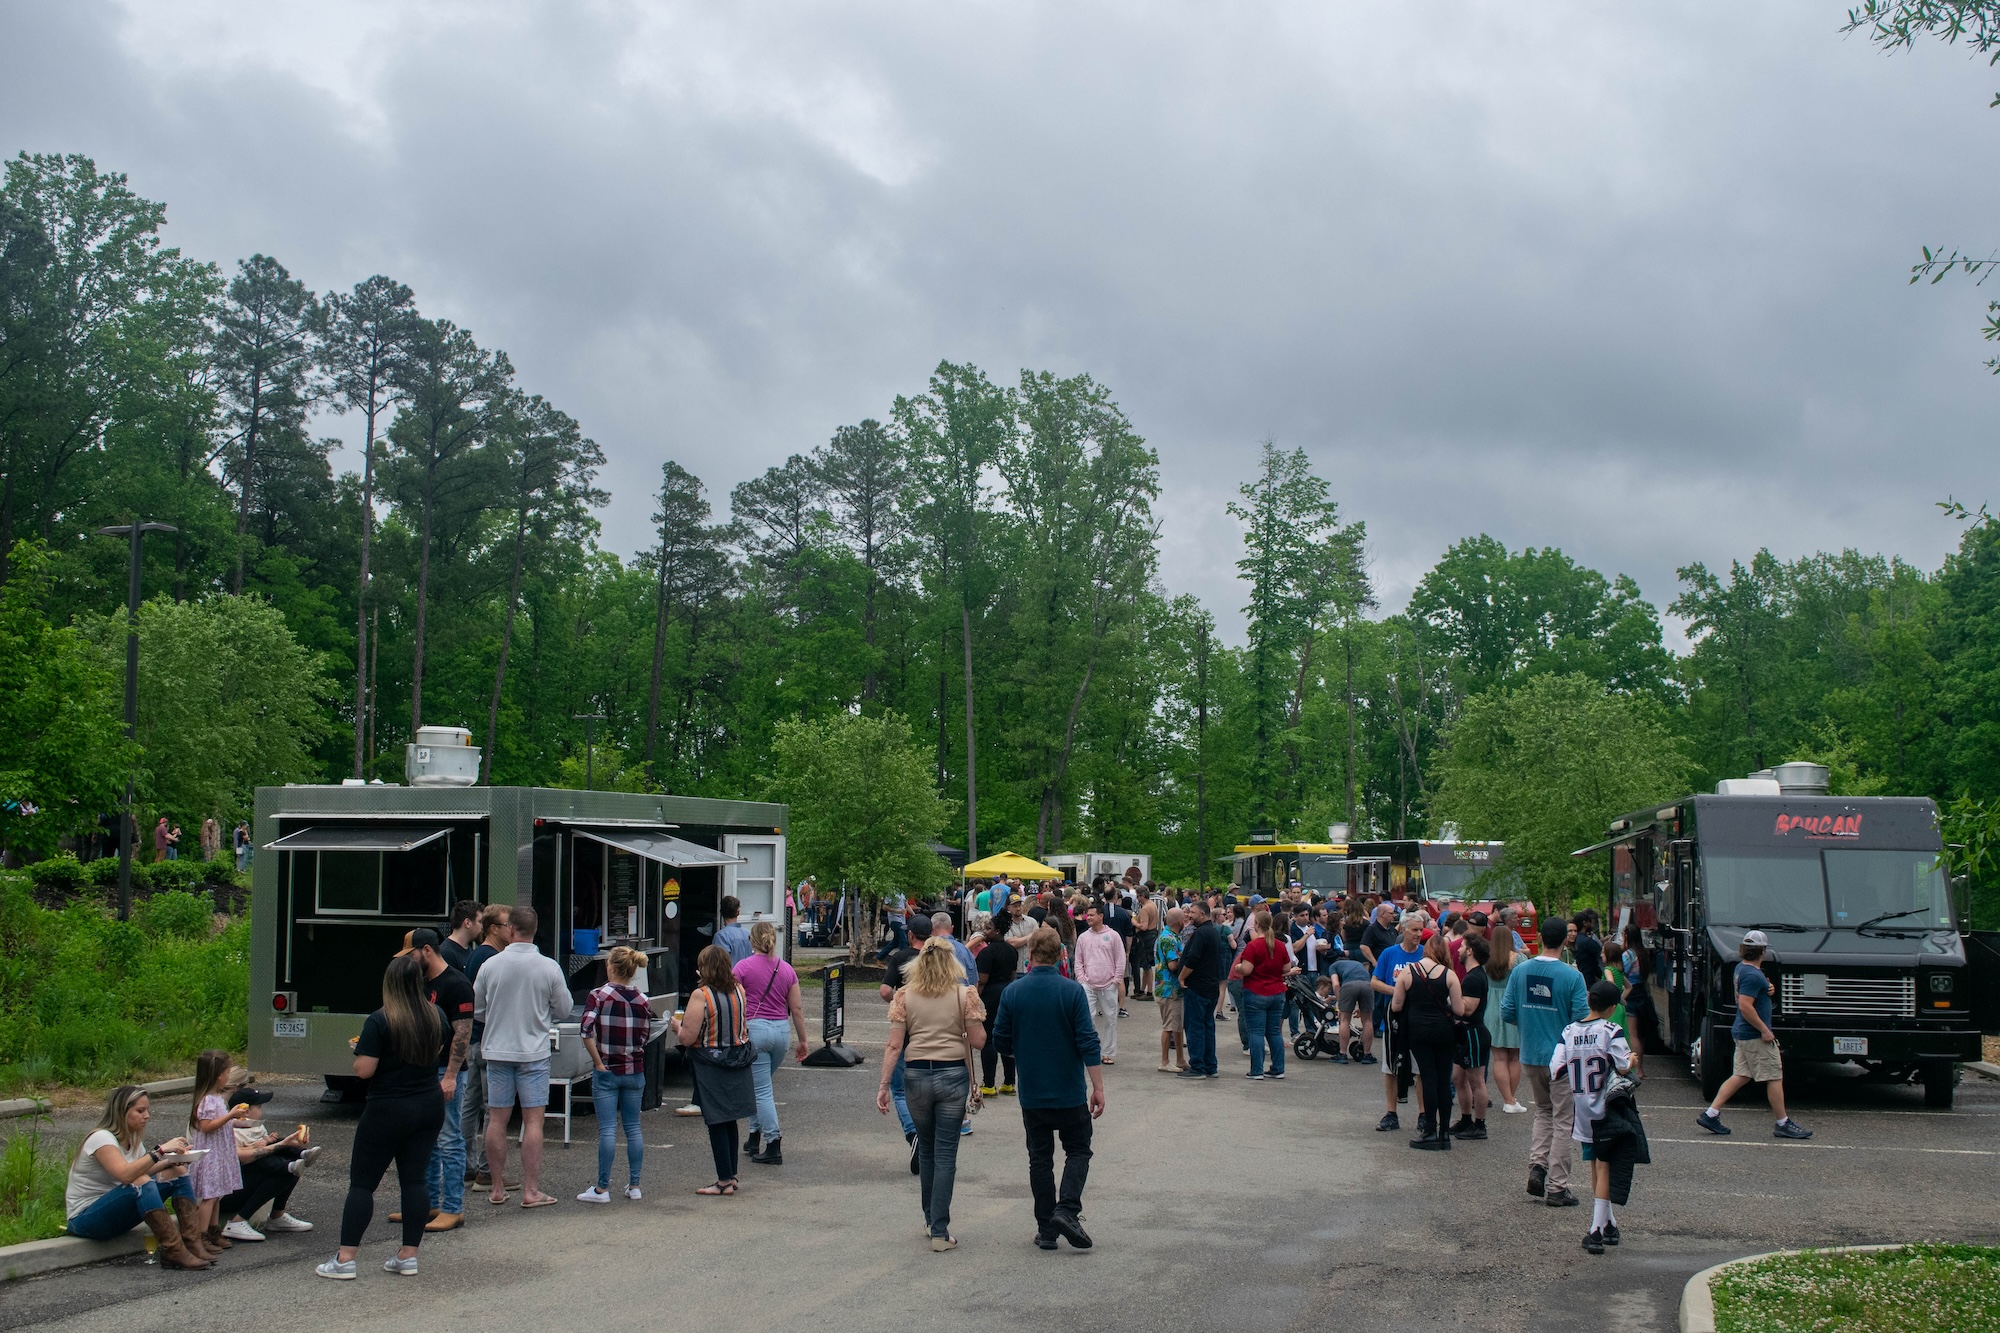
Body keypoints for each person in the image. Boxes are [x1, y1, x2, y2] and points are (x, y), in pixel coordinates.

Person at [316, 953, 448, 1279]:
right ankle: (408, 1255)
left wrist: (357, 1052)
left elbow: (365, 1070)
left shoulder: (380, 1019)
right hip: (428, 1103)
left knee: (362, 1184)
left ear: (389, 984)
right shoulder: (436, 1016)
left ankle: (345, 1259)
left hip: (387, 1107)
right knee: (415, 1180)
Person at [991, 927, 1104, 1252]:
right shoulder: (1071, 992)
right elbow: (1087, 1041)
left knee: (1040, 1158)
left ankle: (1046, 1228)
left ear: (1031, 953)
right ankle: (1067, 1209)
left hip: (1033, 1090)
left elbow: (1000, 1039)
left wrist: (1023, 1051)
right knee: (1079, 1149)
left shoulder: (1014, 992)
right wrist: (1098, 1086)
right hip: (1068, 1089)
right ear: (1060, 955)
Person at [877, 935, 986, 1251]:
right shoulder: (964, 995)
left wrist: (884, 1085)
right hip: (952, 1074)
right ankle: (940, 1229)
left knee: (926, 1149)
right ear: (952, 963)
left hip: (916, 1076)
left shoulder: (904, 996)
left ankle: (929, 1219)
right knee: (946, 1152)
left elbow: (895, 1044)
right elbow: (979, 1041)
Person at [472, 905, 571, 1210]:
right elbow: (564, 1009)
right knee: (533, 1121)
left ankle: (497, 1188)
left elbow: (476, 1008)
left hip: (497, 1050)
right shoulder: (548, 967)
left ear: (511, 930)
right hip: (533, 1052)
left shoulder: (490, 966)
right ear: (534, 931)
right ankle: (531, 1190)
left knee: (497, 1119)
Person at [1501, 915, 1591, 1207]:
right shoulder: (1572, 976)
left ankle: (1537, 1166)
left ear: (1539, 938)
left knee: (1543, 1111)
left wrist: (1529, 1025)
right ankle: (1557, 1186)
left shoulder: (1521, 971)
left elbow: (1507, 1012)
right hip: (1562, 1057)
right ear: (1566, 939)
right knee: (1564, 1120)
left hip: (1530, 1054)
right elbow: (1581, 1017)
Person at [65, 1085, 209, 1269]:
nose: (147, 1115)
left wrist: (171, 1161)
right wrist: (160, 1151)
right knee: (141, 1182)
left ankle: (192, 1244)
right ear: (121, 1112)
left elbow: (140, 1171)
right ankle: (174, 1251)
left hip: (116, 1214)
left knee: (177, 1172)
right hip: (86, 1219)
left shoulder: (132, 1139)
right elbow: (126, 1175)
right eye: (140, 1111)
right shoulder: (101, 1138)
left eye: (147, 1110)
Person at [1552, 979, 1641, 1254]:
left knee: (1595, 1166)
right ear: (1612, 1007)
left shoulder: (1568, 1031)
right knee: (1604, 1167)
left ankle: (1608, 1223)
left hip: (1582, 1109)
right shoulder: (1610, 1031)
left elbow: (1555, 1068)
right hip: (1606, 1108)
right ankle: (1595, 1231)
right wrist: (1633, 1061)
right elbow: (1624, 1065)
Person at [1696, 931, 1813, 1140]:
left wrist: (1767, 987)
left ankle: (1711, 1113)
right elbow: (1745, 1005)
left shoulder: (1742, 969)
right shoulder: (1752, 974)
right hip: (1753, 1035)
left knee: (1741, 1075)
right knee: (1774, 1076)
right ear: (1763, 951)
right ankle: (1782, 1123)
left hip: (1742, 1033)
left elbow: (1746, 994)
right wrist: (1765, 1030)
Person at [403, 928, 473, 1232]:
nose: (409, 960)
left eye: (411, 954)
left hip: (446, 1071)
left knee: (449, 1138)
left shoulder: (456, 984)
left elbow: (463, 1032)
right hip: (424, 1069)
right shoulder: (421, 983)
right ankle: (428, 1204)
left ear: (427, 950)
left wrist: (451, 1076)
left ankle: (453, 1208)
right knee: (426, 1139)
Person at [677, 944, 757, 1196]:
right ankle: (730, 1176)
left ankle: (723, 1181)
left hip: (711, 1063)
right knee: (730, 1118)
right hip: (737, 1058)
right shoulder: (739, 990)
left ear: (705, 968)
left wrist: (675, 1026)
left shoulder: (701, 995)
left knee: (716, 1121)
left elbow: (687, 1038)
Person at [579, 946, 654, 1203]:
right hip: (635, 1069)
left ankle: (602, 1188)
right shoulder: (643, 1000)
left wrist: (598, 1062)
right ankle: (634, 1185)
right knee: (634, 1128)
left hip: (607, 1068)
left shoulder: (598, 995)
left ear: (610, 967)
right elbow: (646, 1035)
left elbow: (586, 1031)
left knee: (608, 1129)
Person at [735, 921, 809, 1165]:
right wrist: (803, 1040)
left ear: (752, 941)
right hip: (780, 1031)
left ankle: (773, 1141)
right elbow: (796, 1008)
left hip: (755, 1030)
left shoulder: (742, 968)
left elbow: (733, 1002)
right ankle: (754, 1136)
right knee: (761, 1085)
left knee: (762, 1090)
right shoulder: (786, 969)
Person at [1392, 934, 1465, 1148]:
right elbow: (1459, 1010)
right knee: (1444, 1080)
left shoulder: (1408, 971)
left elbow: (1397, 1005)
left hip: (1418, 1030)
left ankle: (1430, 1130)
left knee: (1428, 1077)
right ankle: (1444, 1134)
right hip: (1444, 1030)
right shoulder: (1449, 975)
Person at [218, 1086, 318, 1241]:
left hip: (246, 1180)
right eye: (258, 1107)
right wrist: (265, 1146)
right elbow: (242, 1158)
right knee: (270, 1160)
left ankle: (301, 1155)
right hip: (230, 1192)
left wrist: (272, 1141)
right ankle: (238, 1221)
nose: (261, 1110)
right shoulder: (231, 1130)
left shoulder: (255, 1126)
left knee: (290, 1165)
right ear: (245, 1111)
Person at [879, 912, 932, 1167]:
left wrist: (897, 1001)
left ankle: (913, 1134)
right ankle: (927, 1136)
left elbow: (885, 990)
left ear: (910, 934)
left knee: (900, 1090)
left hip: (906, 1029)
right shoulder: (937, 958)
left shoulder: (901, 958)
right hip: (932, 1032)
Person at [463, 904, 509, 1190]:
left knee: (470, 1105)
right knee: (493, 1108)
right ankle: (486, 1170)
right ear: (494, 929)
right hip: (486, 1041)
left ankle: (465, 1165)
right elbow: (485, 1004)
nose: (511, 930)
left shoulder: (478, 955)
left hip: (474, 1039)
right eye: (507, 925)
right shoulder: (489, 958)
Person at [1370, 911, 1428, 1131]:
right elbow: (1374, 982)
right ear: (1403, 930)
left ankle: (1423, 1113)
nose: (1418, 934)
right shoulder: (1389, 954)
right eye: (1414, 930)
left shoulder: (1425, 954)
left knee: (1419, 1068)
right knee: (1390, 1067)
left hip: (1418, 1017)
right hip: (1393, 1019)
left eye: (1421, 930)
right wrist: (1396, 990)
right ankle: (1391, 1113)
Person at [186, 1049, 248, 1254]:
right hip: (211, 1154)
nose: (228, 1076)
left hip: (220, 1153)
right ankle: (201, 1234)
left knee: (217, 1194)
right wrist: (230, 1116)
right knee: (210, 1196)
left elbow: (219, 1124)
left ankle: (214, 1231)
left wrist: (236, 1122)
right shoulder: (207, 1100)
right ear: (218, 1075)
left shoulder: (217, 1098)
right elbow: (206, 1126)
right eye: (227, 1072)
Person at [1235, 909, 1293, 1081]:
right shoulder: (1279, 945)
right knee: (1274, 1032)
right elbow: (1287, 968)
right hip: (1277, 992)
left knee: (1256, 1032)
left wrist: (1238, 968)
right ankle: (1278, 1068)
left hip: (1255, 991)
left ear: (1257, 925)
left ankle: (1257, 1070)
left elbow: (1247, 969)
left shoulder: (1253, 946)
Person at [1448, 934, 1493, 1140]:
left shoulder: (1474, 977)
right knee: (1458, 1077)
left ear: (1470, 951)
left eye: (1462, 946)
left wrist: (1449, 997)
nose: (1458, 950)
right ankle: (1466, 1119)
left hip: (1474, 1032)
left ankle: (1479, 1124)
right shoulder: (1470, 975)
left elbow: (1468, 1009)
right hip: (1464, 1033)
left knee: (1476, 1080)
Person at [1176, 899, 1225, 1079]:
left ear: (1203, 914)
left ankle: (1198, 1066)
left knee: (1195, 1026)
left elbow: (1193, 959)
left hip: (1197, 987)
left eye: (1193, 913)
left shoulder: (1201, 934)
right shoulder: (1212, 932)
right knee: (1207, 1026)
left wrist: (1182, 976)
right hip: (1210, 986)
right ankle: (1210, 1065)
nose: (1189, 915)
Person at [1074, 904, 1127, 1065]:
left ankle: (1107, 1052)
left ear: (1100, 916)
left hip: (1108, 985)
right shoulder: (1083, 937)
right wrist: (1081, 979)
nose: (1088, 918)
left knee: (1110, 1019)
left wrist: (1115, 980)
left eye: (1091, 915)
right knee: (1087, 1018)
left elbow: (1120, 958)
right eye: (1087, 915)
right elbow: (1078, 960)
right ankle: (1089, 1050)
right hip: (1088, 984)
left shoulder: (1113, 936)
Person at [977, 914, 1021, 1094]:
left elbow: (982, 980)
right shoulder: (1012, 950)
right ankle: (1009, 1082)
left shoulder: (987, 952)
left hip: (990, 995)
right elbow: (1012, 975)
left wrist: (975, 1000)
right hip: (1008, 993)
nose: (984, 931)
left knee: (988, 1039)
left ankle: (988, 1084)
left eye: (988, 928)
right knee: (1006, 1036)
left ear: (997, 931)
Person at [1485, 923, 1526, 1113]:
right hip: (1514, 1008)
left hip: (1491, 1009)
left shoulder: (1486, 959)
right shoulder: (1520, 960)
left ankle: (1508, 1099)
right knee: (1514, 1057)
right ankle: (1511, 1099)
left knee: (1499, 1058)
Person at [1154, 906, 1188, 1073]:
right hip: (1169, 988)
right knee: (1169, 1025)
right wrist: (1187, 960)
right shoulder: (1169, 939)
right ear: (1179, 921)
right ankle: (1165, 1061)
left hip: (1168, 987)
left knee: (1176, 1024)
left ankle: (1180, 1058)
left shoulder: (1170, 936)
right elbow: (1173, 965)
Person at [1329, 951, 1375, 1064]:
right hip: (1367, 985)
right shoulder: (1357, 964)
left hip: (1349, 985)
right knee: (1367, 1020)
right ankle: (1367, 1054)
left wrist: (1340, 1003)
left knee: (1344, 1020)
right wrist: (1361, 1007)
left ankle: (1342, 1053)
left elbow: (1335, 984)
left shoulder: (1333, 966)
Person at [1131, 888, 1160, 1000]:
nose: (1137, 899)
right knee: (1145, 964)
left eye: (1138, 896)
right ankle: (1142, 990)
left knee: (1147, 965)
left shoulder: (1145, 909)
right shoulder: (1153, 905)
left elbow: (1144, 926)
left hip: (1146, 937)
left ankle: (1149, 992)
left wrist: (1134, 922)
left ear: (1142, 895)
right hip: (1153, 934)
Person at [439, 901, 480, 972]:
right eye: (480, 922)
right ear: (467, 923)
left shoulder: (470, 951)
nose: (482, 927)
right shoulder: (446, 953)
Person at [715, 895, 752, 964]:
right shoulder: (748, 934)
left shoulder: (721, 936)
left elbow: (720, 964)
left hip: (730, 974)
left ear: (721, 913)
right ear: (738, 913)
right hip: (748, 974)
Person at [1573, 909, 1604, 986]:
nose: (1591, 924)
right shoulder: (1587, 941)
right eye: (1589, 921)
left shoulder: (1577, 939)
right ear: (1585, 923)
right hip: (1590, 979)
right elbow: (1602, 952)